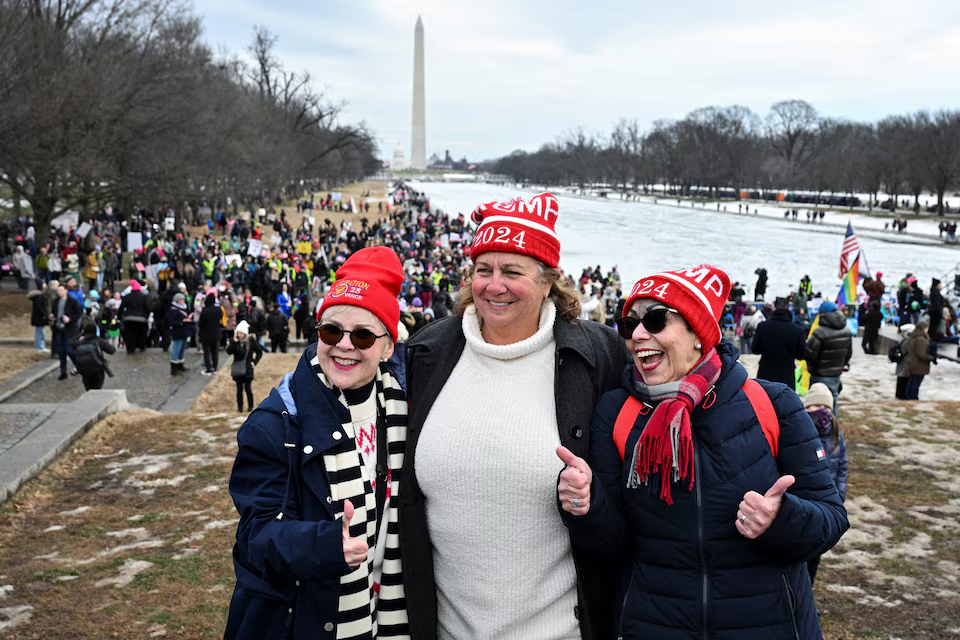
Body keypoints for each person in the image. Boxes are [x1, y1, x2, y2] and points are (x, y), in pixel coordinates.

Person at [556, 264, 848, 640]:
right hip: (654, 625)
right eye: (630, 325)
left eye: (656, 320)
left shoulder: (773, 404)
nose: (638, 335)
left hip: (768, 624)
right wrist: (585, 503)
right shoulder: (616, 411)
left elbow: (830, 519)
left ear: (698, 332)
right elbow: (613, 544)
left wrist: (781, 519)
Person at [399, 193, 630, 640]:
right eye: (483, 270)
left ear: (548, 283)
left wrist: (590, 501)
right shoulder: (429, 352)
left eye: (512, 272)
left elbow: (627, 510)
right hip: (446, 630)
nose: (494, 285)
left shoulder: (597, 355)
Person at [225, 246, 409, 639]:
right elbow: (254, 537)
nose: (344, 345)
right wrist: (323, 545)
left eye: (362, 335)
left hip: (391, 619)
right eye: (331, 331)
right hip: (309, 620)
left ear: (388, 347)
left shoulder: (407, 407)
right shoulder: (274, 426)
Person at [802, 383, 848, 585]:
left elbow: (843, 468)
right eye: (814, 407)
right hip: (804, 505)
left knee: (814, 556)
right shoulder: (800, 431)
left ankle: (808, 597)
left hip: (826, 505)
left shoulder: (837, 435)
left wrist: (839, 495)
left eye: (826, 408)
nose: (821, 413)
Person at [805, 301, 852, 415]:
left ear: (823, 314)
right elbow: (848, 354)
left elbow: (810, 354)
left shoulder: (819, 332)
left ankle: (819, 430)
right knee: (832, 403)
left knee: (816, 405)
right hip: (836, 374)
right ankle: (833, 429)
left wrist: (810, 365)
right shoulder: (846, 331)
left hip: (819, 374)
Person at [752, 296, 807, 388]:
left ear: (774, 308)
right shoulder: (798, 330)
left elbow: (755, 350)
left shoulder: (762, 327)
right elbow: (801, 355)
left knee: (765, 400)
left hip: (765, 373)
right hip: (787, 374)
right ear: (789, 308)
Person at [226, 320, 263, 413]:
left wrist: (254, 362)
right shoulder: (235, 341)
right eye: (238, 333)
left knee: (248, 388)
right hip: (238, 368)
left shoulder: (251, 341)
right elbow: (229, 351)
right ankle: (240, 407)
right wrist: (234, 342)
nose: (239, 335)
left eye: (241, 333)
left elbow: (259, 352)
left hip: (247, 368)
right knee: (239, 390)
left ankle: (250, 406)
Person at [51, 283, 82, 380]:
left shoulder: (72, 301)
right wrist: (53, 317)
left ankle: (79, 365)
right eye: (58, 290)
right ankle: (63, 371)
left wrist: (70, 319)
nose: (59, 292)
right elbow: (54, 312)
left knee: (69, 349)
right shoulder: (56, 301)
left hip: (70, 329)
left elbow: (78, 314)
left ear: (66, 291)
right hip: (59, 328)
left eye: (61, 290)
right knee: (61, 350)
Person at [72, 323, 115, 390]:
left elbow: (71, 343)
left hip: (84, 369)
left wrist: (80, 337)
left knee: (88, 390)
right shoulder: (99, 341)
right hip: (98, 369)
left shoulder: (80, 342)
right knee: (97, 389)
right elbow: (112, 350)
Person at [906, 319, 936, 400]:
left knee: (912, 381)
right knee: (916, 382)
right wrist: (931, 357)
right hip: (919, 365)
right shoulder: (921, 339)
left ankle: (909, 396)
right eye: (926, 328)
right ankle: (913, 397)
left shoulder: (914, 337)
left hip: (913, 363)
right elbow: (922, 354)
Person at [118, 279, 149, 354]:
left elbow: (121, 309)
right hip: (141, 318)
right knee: (141, 333)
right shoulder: (144, 297)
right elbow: (147, 308)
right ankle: (141, 346)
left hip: (128, 318)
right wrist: (146, 317)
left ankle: (130, 348)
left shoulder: (127, 297)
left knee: (130, 334)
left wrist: (120, 317)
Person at [166, 292, 192, 375]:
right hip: (177, 333)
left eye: (183, 299)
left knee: (182, 350)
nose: (183, 301)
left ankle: (180, 365)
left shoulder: (183, 308)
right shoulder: (173, 310)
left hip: (184, 332)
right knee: (176, 350)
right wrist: (182, 321)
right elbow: (171, 322)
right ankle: (174, 368)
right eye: (181, 300)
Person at [198, 292, 222, 375]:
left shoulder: (205, 311)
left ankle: (208, 368)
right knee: (215, 351)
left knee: (207, 352)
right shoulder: (218, 310)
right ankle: (215, 367)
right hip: (216, 333)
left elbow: (201, 323)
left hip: (206, 334)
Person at [892, 323, 914, 399]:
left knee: (900, 379)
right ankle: (902, 396)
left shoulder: (902, 339)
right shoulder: (907, 342)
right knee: (903, 380)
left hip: (901, 364)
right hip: (905, 364)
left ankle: (899, 395)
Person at [28, 286, 49, 352]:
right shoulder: (39, 298)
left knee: (39, 332)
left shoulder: (37, 298)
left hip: (38, 318)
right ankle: (39, 347)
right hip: (39, 318)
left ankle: (40, 346)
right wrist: (46, 314)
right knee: (40, 332)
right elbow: (40, 308)